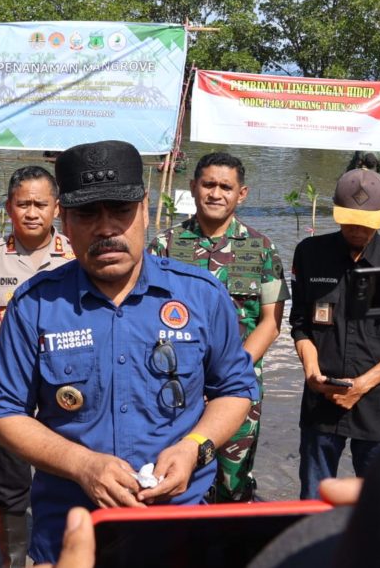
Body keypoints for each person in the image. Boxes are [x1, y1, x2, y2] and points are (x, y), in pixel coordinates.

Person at [0, 140, 257, 563]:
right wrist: (81, 465)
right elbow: (2, 413)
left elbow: (234, 390)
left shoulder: (201, 295)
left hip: (177, 524)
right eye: (88, 214)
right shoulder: (34, 305)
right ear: (65, 221)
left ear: (146, 210)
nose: (106, 228)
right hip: (72, 530)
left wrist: (195, 447)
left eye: (121, 211)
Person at [148, 151, 290, 502]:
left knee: (234, 480)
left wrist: (231, 373)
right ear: (193, 187)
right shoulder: (164, 246)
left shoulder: (261, 249)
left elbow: (271, 322)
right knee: (174, 476)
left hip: (239, 388)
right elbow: (146, 317)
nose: (215, 193)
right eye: (208, 184)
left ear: (241, 194)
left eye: (225, 187)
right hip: (177, 386)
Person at [289, 168, 380, 499]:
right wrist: (311, 372)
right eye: (350, 219)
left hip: (378, 407)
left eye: (367, 221)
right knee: (313, 498)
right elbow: (300, 324)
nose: (357, 228)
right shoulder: (310, 254)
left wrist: (364, 385)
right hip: (321, 400)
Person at [0, 165, 73, 568]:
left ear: (56, 208)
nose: (31, 212)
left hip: (66, 397)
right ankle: (14, 561)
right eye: (22, 203)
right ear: (9, 207)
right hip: (7, 398)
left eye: (41, 204)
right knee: (8, 490)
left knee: (68, 481)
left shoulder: (76, 257)